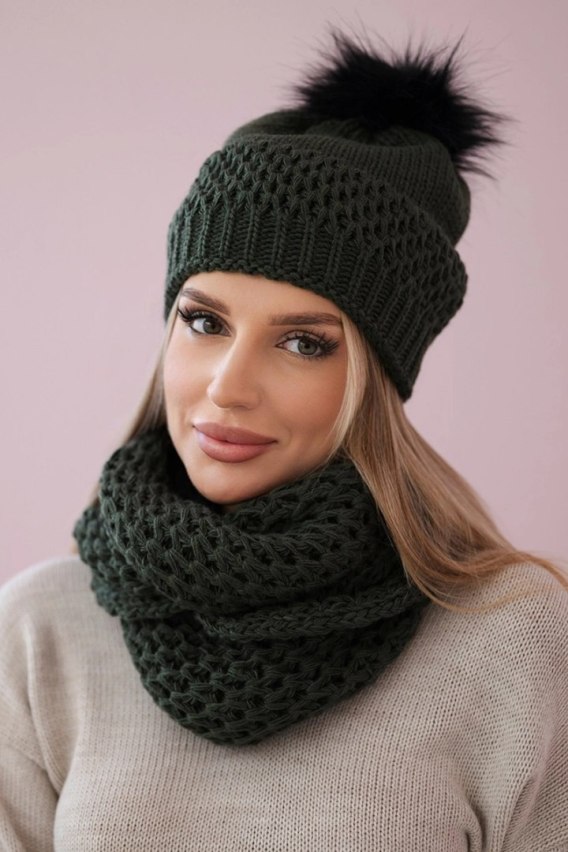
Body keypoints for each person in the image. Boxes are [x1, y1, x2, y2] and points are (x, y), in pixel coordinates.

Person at [1, 27, 567, 852]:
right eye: (204, 322)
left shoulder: (511, 635)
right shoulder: (41, 630)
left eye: (304, 343)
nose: (229, 385)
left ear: (374, 376)